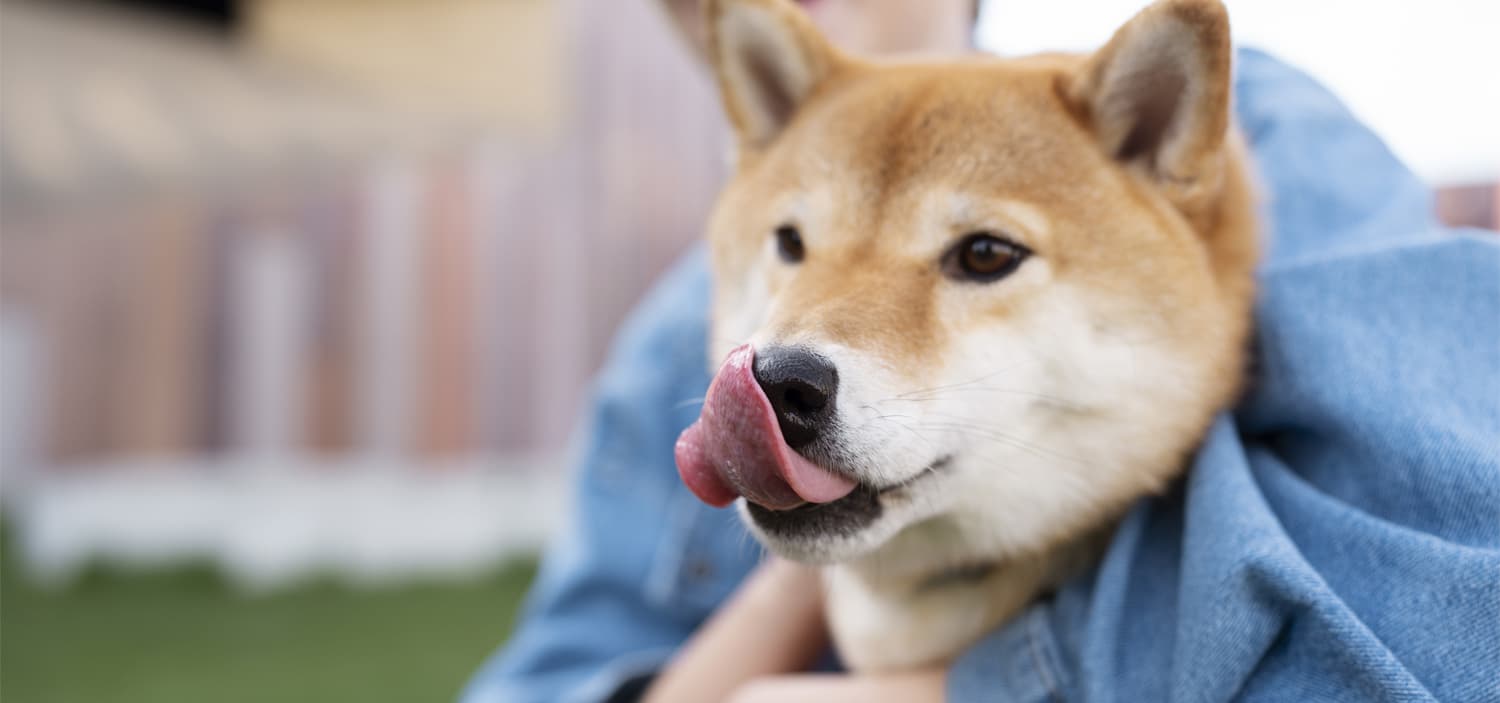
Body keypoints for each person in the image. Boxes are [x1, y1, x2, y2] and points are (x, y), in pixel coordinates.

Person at [461, 1, 1500, 701]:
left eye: (982, 252)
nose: (800, 335)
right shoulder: (661, 352)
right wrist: (806, 560)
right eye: (793, 245)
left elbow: (1446, 622)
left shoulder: (1264, 135)